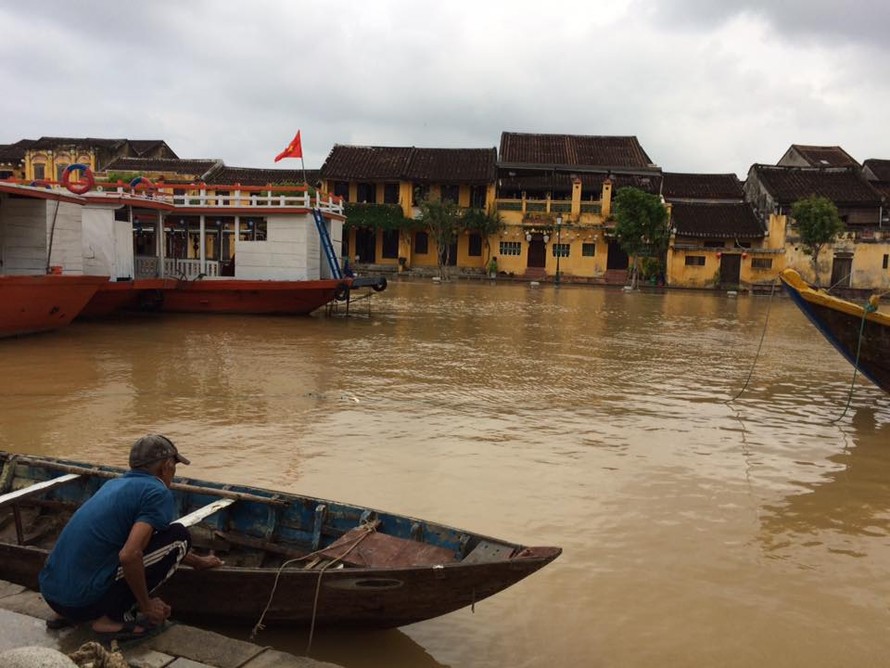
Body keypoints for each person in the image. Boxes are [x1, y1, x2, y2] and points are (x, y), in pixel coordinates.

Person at [39, 435, 222, 640]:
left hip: (52, 595)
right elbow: (130, 554)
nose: (174, 473)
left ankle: (67, 611)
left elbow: (145, 542)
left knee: (154, 541)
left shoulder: (112, 485)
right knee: (180, 536)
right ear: (166, 467)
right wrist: (147, 605)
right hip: (82, 604)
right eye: (174, 467)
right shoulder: (157, 492)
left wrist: (197, 562)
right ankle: (113, 619)